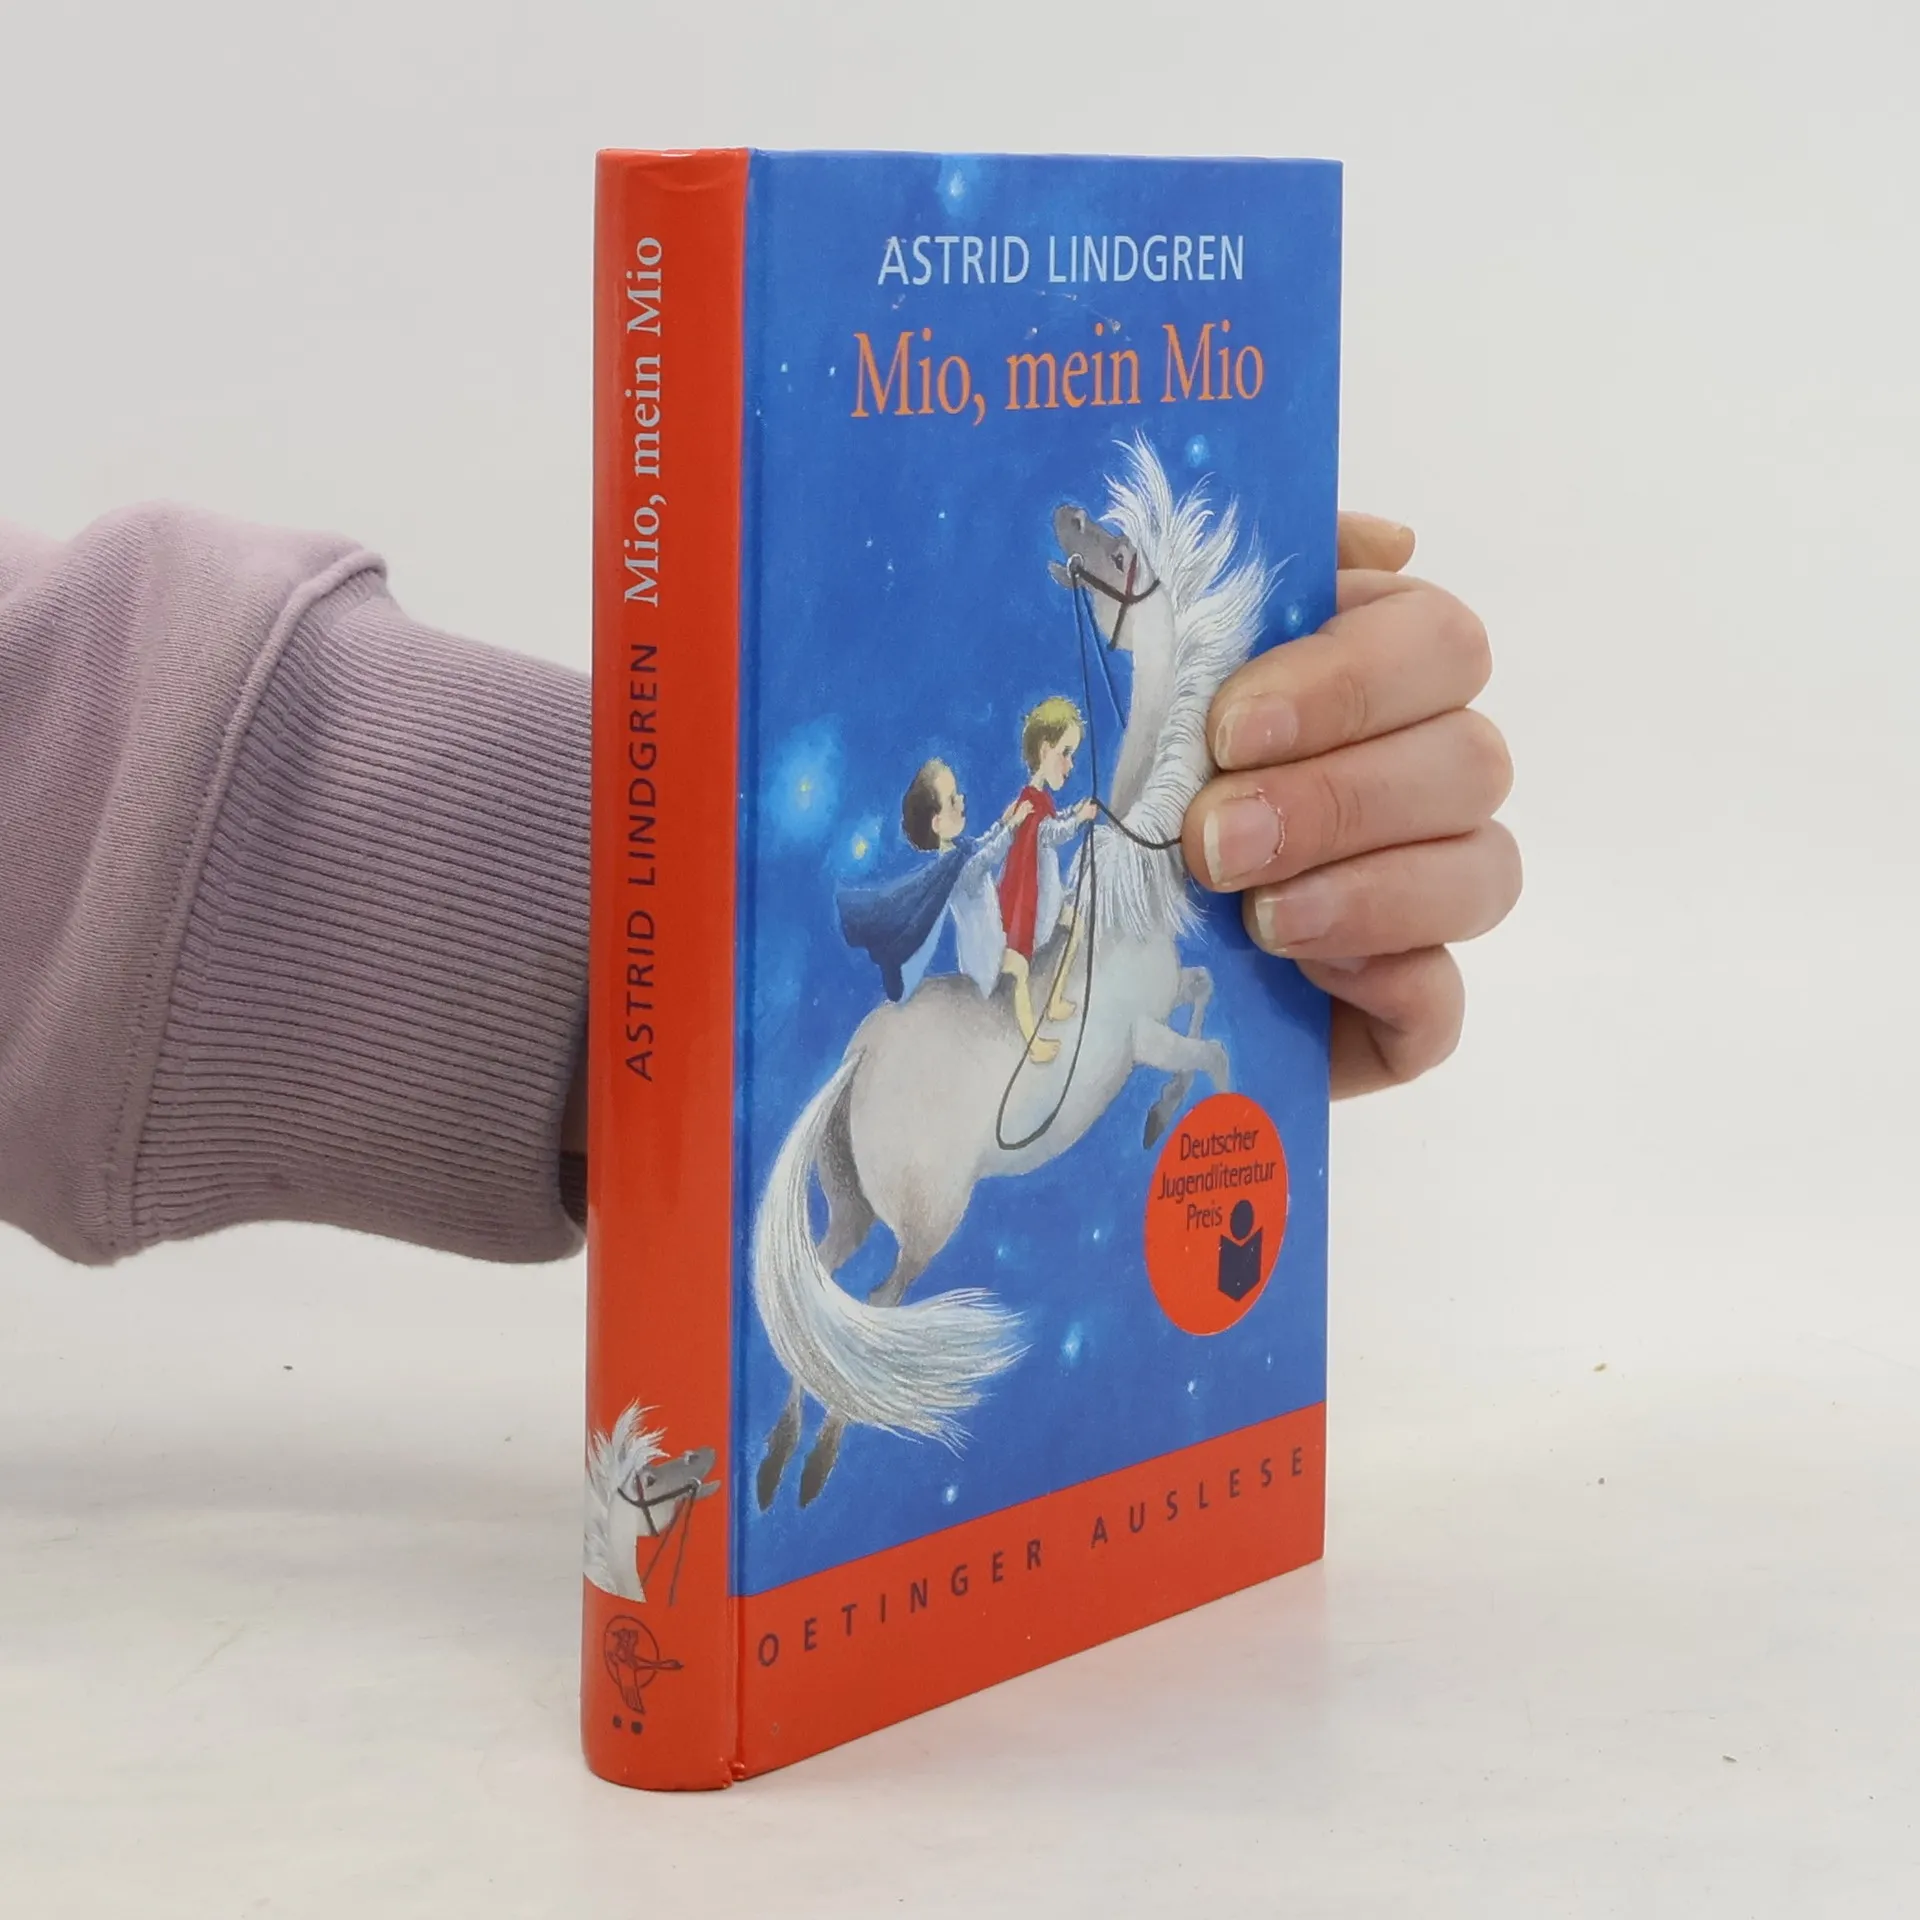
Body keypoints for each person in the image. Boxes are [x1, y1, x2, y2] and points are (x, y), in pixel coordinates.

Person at [0, 507, 1519, 1268]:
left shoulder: (1046, 801)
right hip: (982, 926)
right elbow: (998, 870)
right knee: (1019, 979)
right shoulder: (1007, 827)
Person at [834, 757, 1030, 1002]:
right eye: (953, 800)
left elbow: (981, 845)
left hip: (991, 943)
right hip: (985, 956)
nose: (962, 800)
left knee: (1018, 969)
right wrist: (1012, 827)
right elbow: (987, 856)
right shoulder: (957, 868)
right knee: (1021, 969)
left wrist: (1003, 822)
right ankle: (1039, 1026)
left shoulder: (960, 852)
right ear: (937, 823)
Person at [994, 697, 1098, 1063]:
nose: (1070, 765)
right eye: (1065, 753)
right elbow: (1049, 833)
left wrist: (1074, 811)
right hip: (1029, 910)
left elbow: (1051, 823)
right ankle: (1033, 1044)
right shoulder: (1029, 803)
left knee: (1078, 925)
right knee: (1020, 974)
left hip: (1048, 904)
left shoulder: (1041, 801)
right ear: (1044, 750)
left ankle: (1053, 1000)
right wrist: (1079, 819)